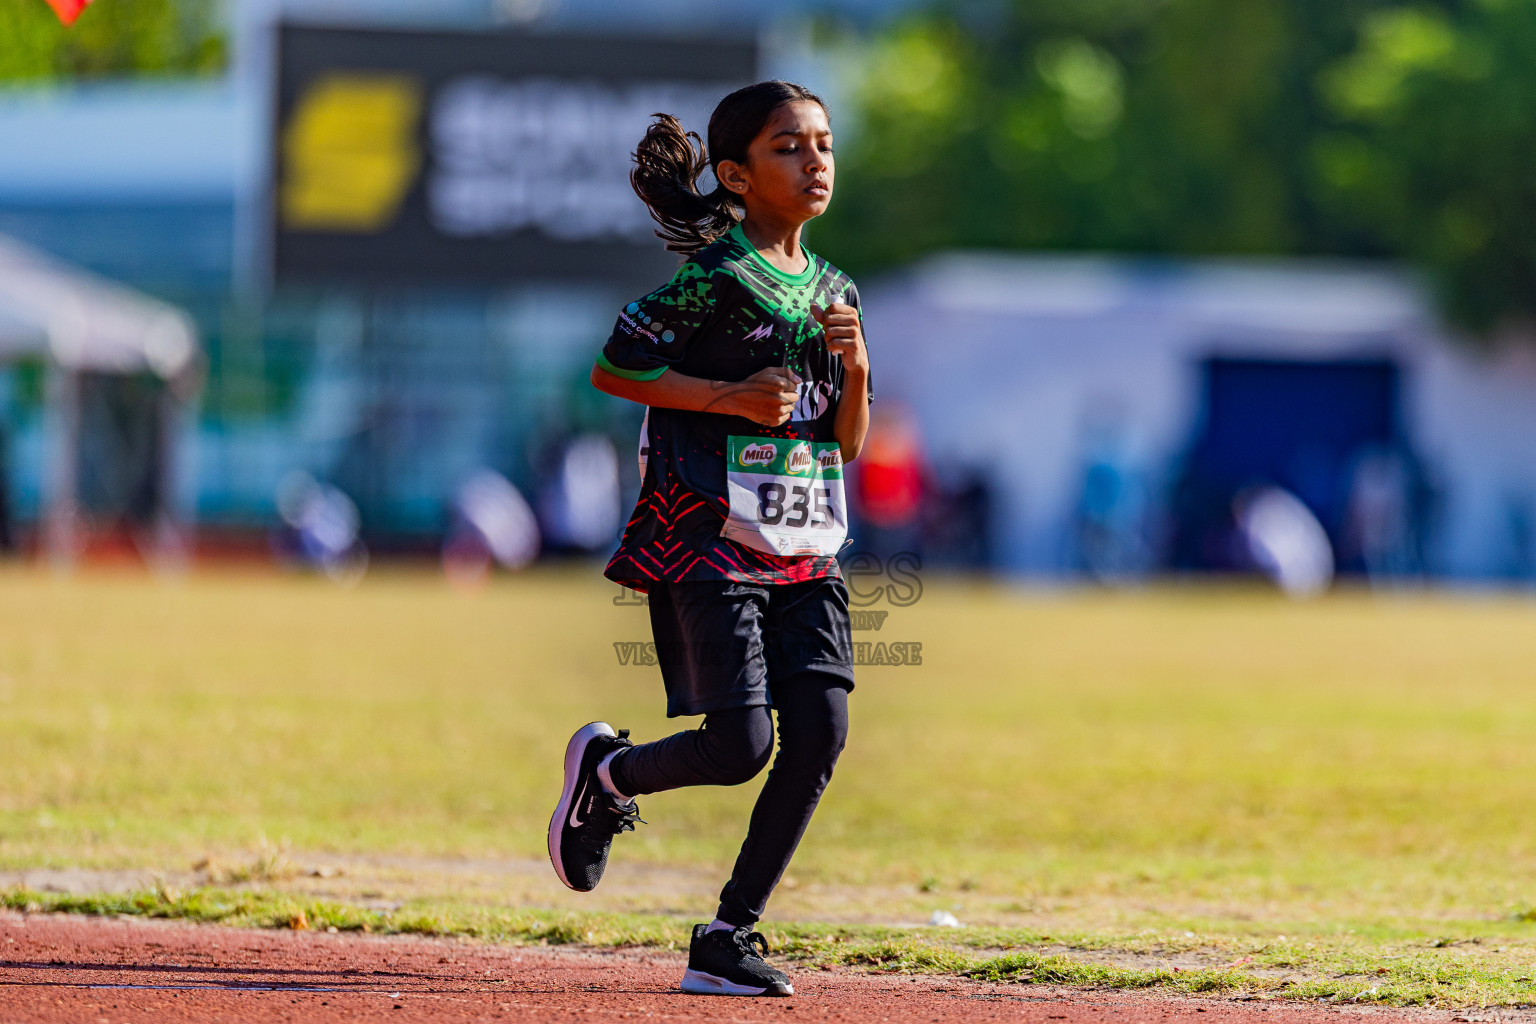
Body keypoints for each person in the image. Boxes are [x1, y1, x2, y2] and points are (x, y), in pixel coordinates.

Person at [547, 80, 870, 998]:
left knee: (820, 734)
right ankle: (609, 775)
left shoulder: (839, 288)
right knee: (740, 744)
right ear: (735, 174)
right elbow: (615, 368)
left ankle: (728, 936)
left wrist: (855, 367)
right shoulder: (714, 279)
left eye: (824, 145)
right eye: (789, 148)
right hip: (708, 536)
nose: (815, 163)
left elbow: (846, 443)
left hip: (806, 543)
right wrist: (724, 396)